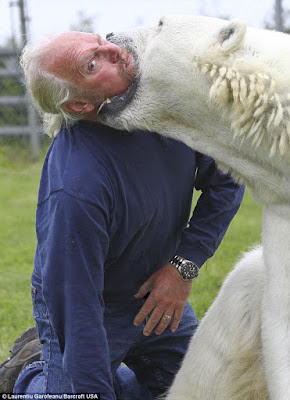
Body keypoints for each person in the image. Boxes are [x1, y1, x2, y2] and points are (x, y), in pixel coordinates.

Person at [0, 31, 244, 399]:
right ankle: (26, 376)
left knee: (213, 389)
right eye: (92, 63)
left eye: (99, 42)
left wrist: (182, 267)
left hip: (157, 293)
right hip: (88, 304)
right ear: (80, 105)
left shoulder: (167, 108)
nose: (114, 50)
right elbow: (78, 307)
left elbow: (228, 180)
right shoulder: (76, 187)